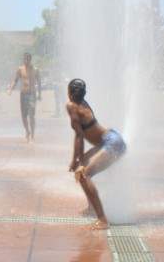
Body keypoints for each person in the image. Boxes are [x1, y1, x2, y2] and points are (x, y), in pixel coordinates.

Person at [66, 78, 126, 230]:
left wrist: (79, 164)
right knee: (80, 173)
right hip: (111, 140)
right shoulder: (83, 103)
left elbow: (80, 136)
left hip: (111, 143)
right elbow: (78, 134)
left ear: (70, 92)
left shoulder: (72, 106)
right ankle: (92, 208)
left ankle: (102, 220)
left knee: (84, 173)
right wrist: (75, 160)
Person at [8, 52, 41, 142]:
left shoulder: (35, 69)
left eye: (28, 59)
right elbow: (15, 80)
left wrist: (40, 94)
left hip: (32, 95)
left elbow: (39, 82)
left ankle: (32, 136)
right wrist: (10, 89)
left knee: (32, 115)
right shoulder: (20, 69)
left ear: (30, 59)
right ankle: (27, 131)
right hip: (23, 94)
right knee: (24, 116)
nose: (26, 60)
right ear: (23, 59)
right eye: (24, 59)